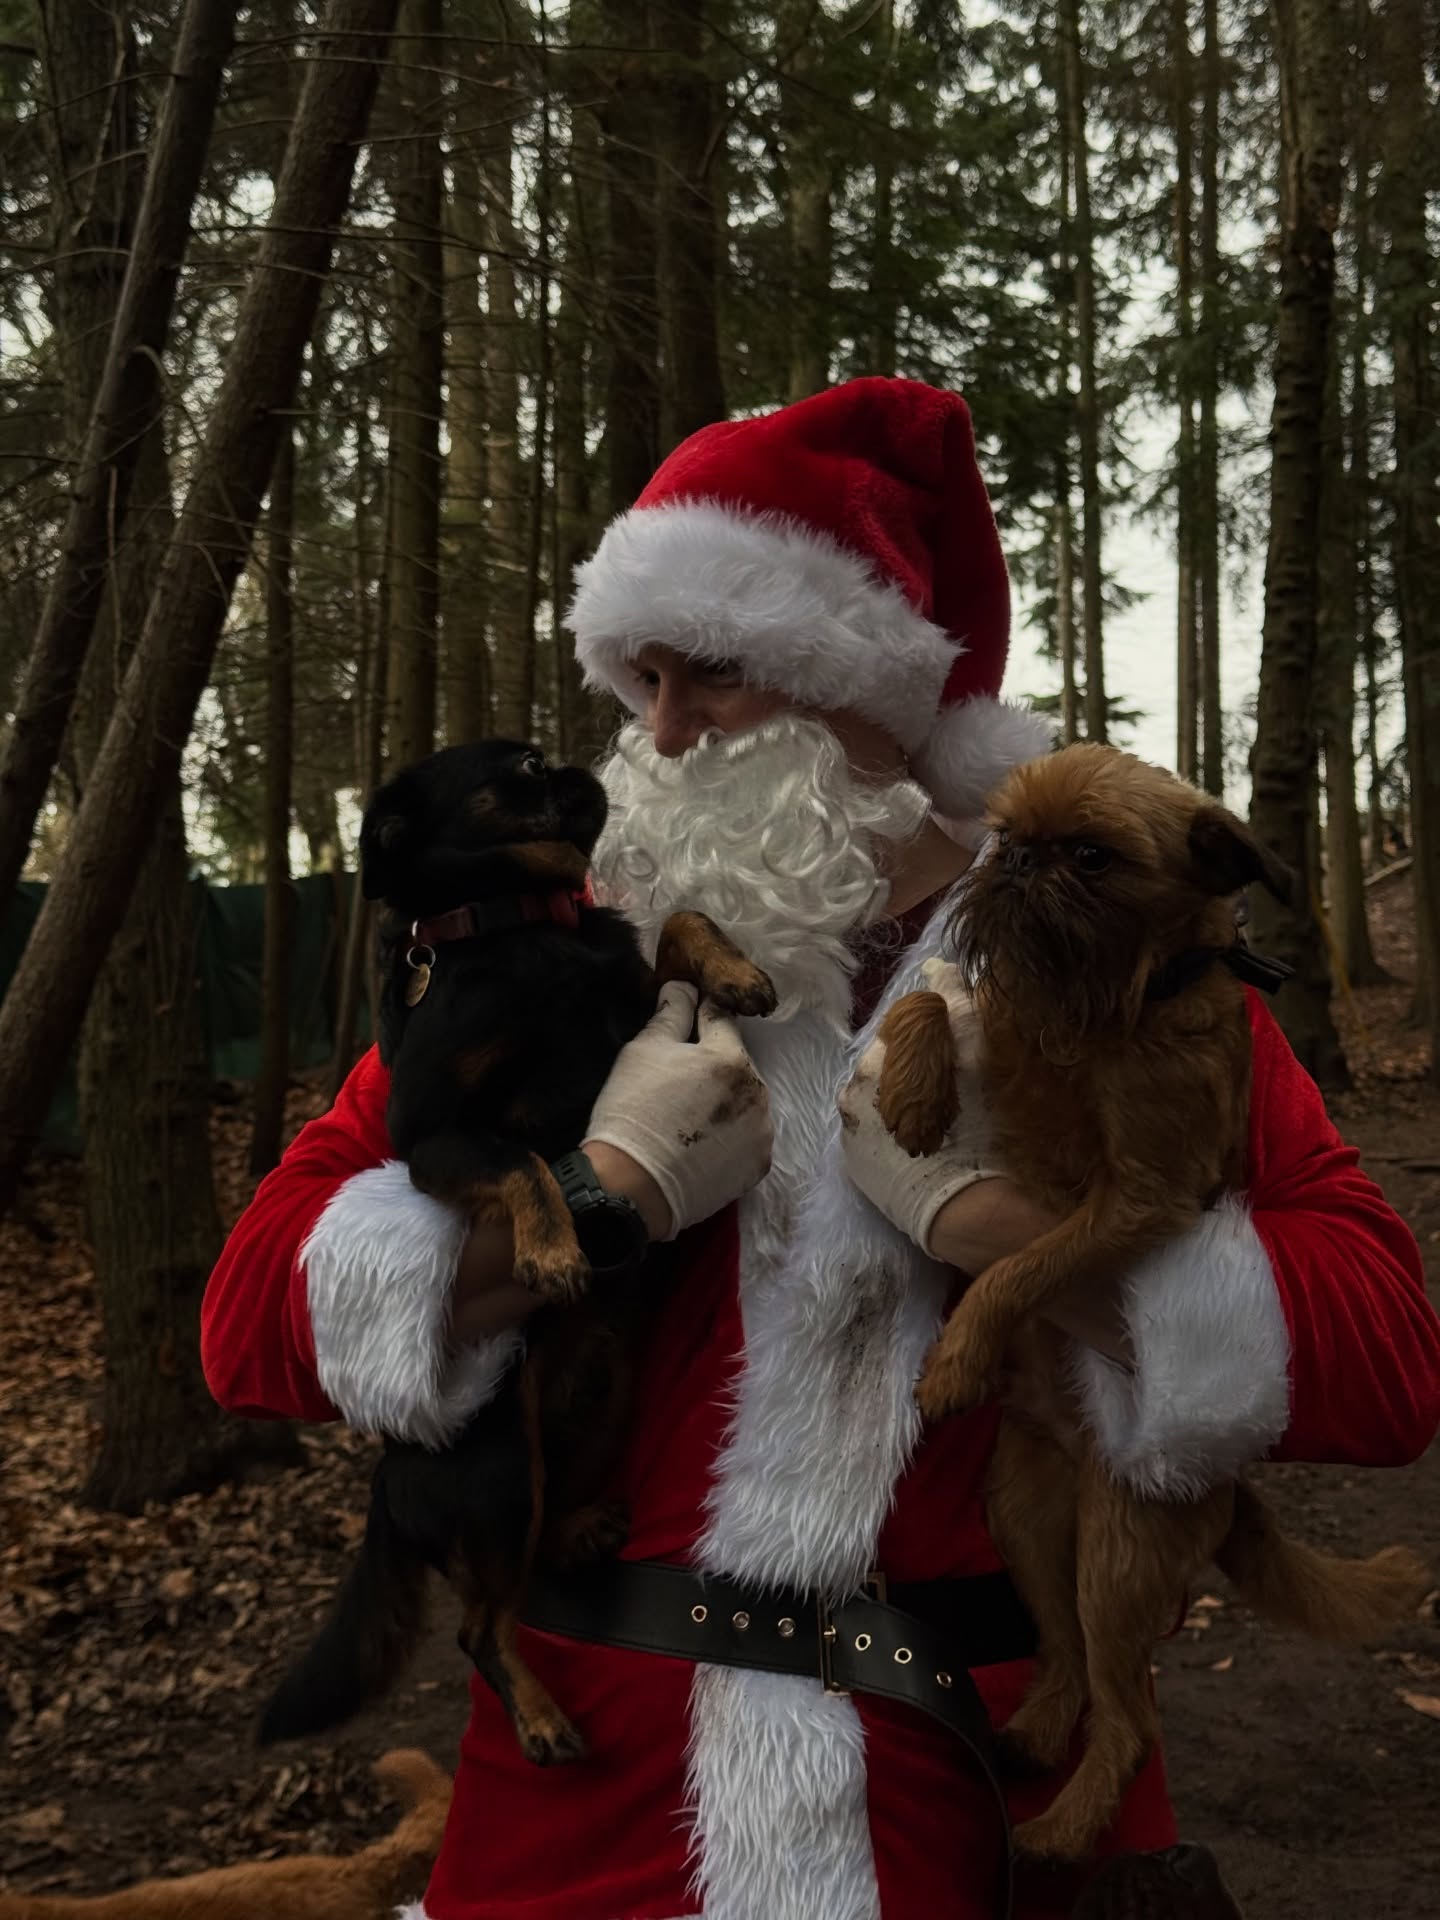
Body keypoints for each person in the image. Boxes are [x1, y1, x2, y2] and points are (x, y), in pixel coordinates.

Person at [201, 378, 1440, 1920]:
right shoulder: (563, 960)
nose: (661, 732)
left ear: (874, 691)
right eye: (642, 679)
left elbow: (1388, 1360)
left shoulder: (1113, 959)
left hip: (986, 1790)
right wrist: (599, 1195)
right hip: (588, 1813)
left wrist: (1001, 1231)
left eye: (715, 674)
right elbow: (251, 1320)